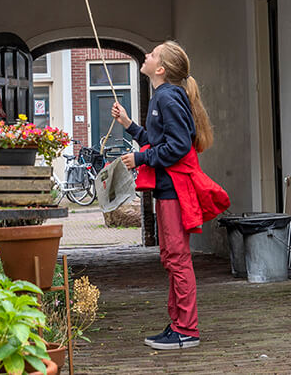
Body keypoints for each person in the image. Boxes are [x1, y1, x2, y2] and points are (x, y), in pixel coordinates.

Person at [112, 40, 228, 350]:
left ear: (160, 69)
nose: (146, 56)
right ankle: (178, 323)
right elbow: (158, 138)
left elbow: (178, 146)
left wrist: (141, 159)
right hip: (168, 189)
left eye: (151, 54)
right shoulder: (163, 96)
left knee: (177, 258)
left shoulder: (167, 97)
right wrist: (129, 125)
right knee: (170, 257)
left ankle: (187, 330)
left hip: (174, 190)